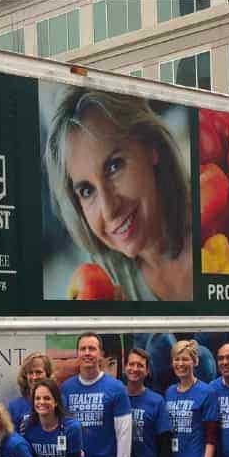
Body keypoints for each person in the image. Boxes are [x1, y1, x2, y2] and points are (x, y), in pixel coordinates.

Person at [44, 86, 192, 301]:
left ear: (151, 147)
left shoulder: (214, 229)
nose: (109, 209)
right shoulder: (109, 285)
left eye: (114, 166)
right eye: (87, 191)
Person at [8, 352, 54, 434]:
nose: (34, 377)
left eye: (38, 372)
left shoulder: (58, 401)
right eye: (30, 373)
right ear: (25, 376)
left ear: (48, 374)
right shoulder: (14, 407)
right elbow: (12, 439)